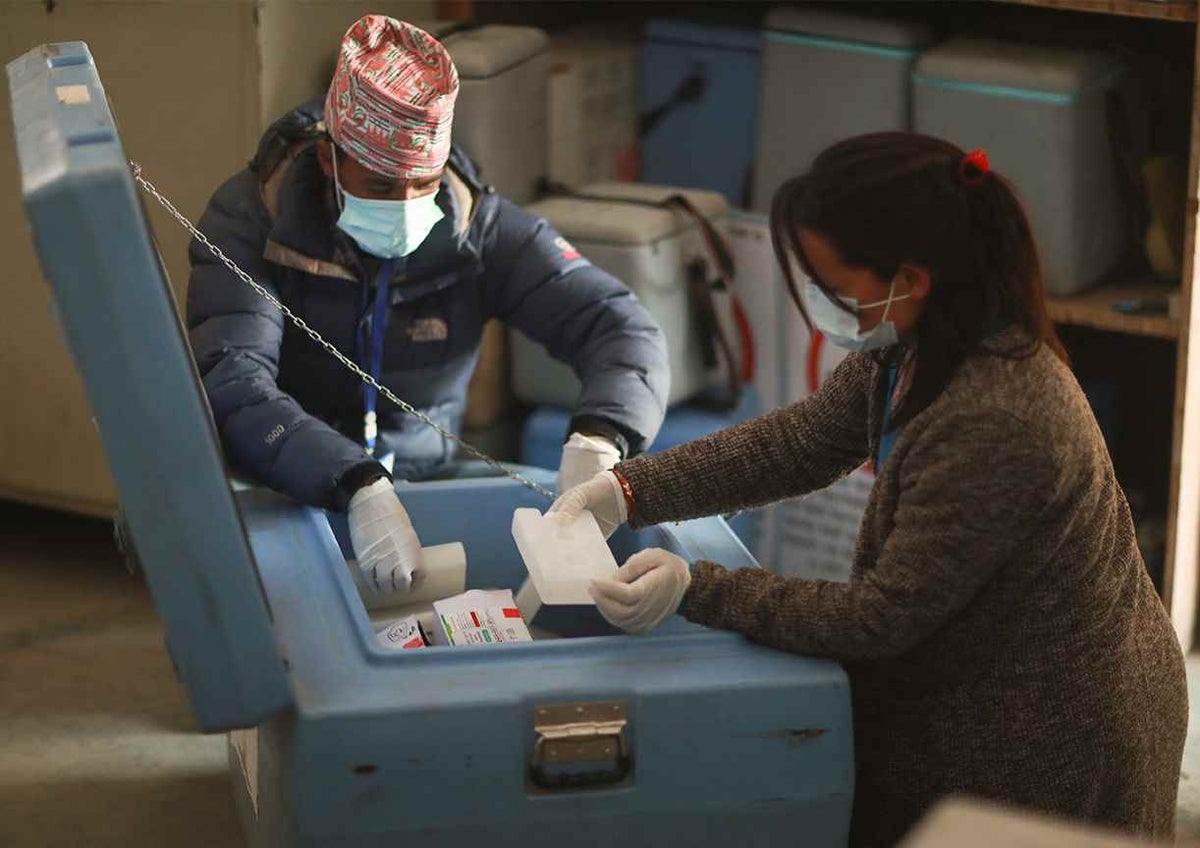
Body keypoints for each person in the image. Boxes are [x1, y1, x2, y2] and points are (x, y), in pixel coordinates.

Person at [552, 133, 1188, 844]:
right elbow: (801, 442)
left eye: (830, 284)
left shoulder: (997, 418)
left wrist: (697, 588)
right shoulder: (913, 347)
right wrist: (629, 490)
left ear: (909, 278)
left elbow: (881, 619)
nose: (820, 301)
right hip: (985, 684)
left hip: (1053, 735)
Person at [187, 16, 668, 595]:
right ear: (328, 162)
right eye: (383, 186)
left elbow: (620, 328)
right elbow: (233, 381)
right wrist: (356, 481)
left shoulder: (478, 229)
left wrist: (602, 435)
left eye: (424, 181)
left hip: (427, 474)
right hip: (281, 480)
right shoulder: (250, 223)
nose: (409, 203)